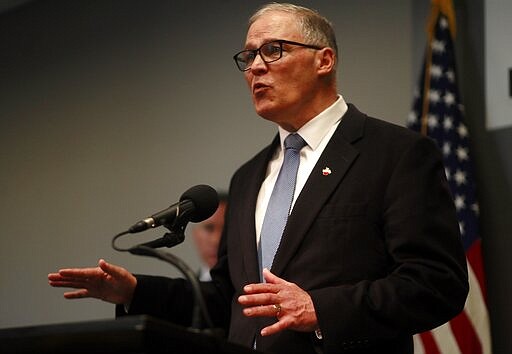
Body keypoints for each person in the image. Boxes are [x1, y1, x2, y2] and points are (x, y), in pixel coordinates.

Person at [48, 3, 469, 353]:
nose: (255, 69)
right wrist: (137, 293)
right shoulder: (248, 176)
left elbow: (436, 284)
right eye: (249, 57)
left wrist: (318, 309)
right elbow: (233, 300)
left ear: (324, 59)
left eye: (273, 51)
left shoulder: (395, 154)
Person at [192, 192, 227, 281]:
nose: (216, 240)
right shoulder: (184, 293)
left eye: (225, 229)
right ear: (195, 233)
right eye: (209, 228)